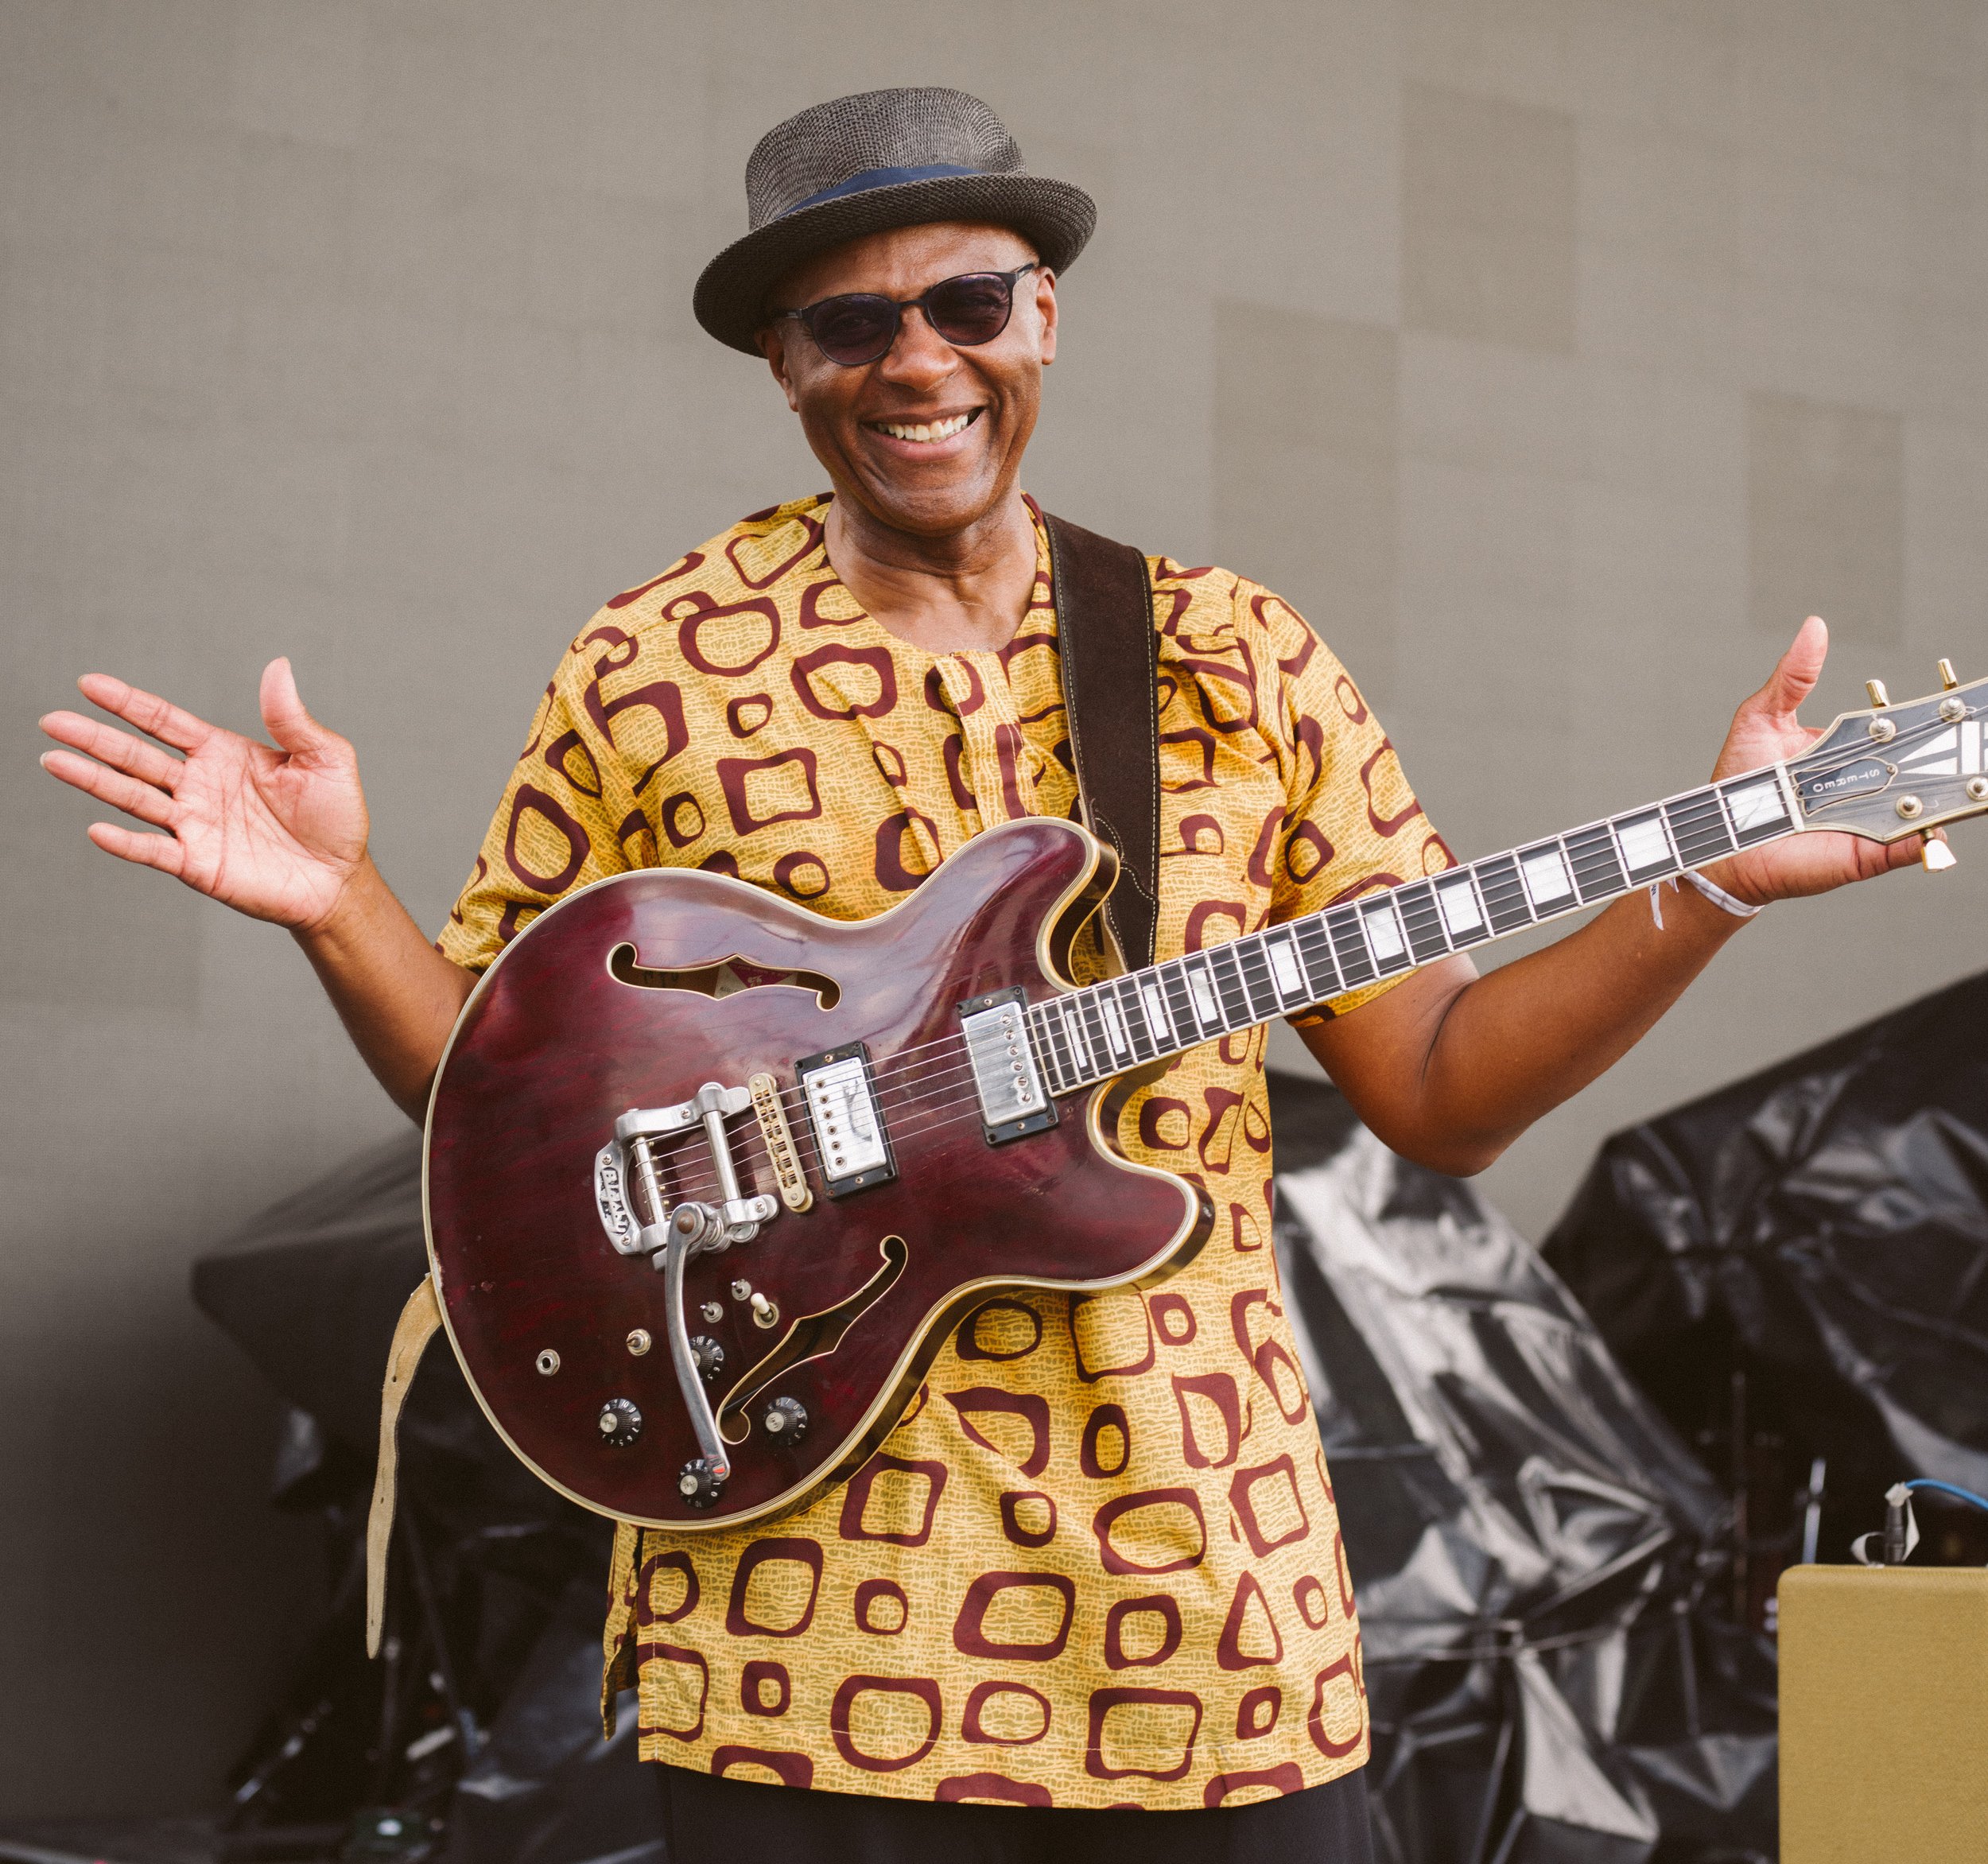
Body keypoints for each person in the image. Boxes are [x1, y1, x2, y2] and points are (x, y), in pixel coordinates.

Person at [38, 87, 1922, 1864]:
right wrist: (338, 895)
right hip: (800, 1633)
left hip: (1202, 1617)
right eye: (848, 324)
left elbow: (1437, 1092)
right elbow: (506, 1109)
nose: (915, 361)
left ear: (1043, 317)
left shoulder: (1231, 657)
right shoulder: (652, 667)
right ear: (783, 364)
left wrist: (1708, 885)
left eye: (963, 302)